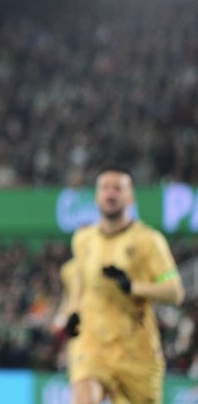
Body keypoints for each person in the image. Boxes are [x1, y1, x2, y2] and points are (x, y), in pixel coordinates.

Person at [63, 166, 185, 404]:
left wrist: (133, 287)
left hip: (137, 352)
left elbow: (175, 291)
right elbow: (78, 279)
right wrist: (72, 311)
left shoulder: (149, 241)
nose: (110, 194)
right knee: (84, 392)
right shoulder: (83, 239)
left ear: (130, 197)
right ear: (97, 196)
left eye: (118, 188)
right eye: (105, 188)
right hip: (93, 344)